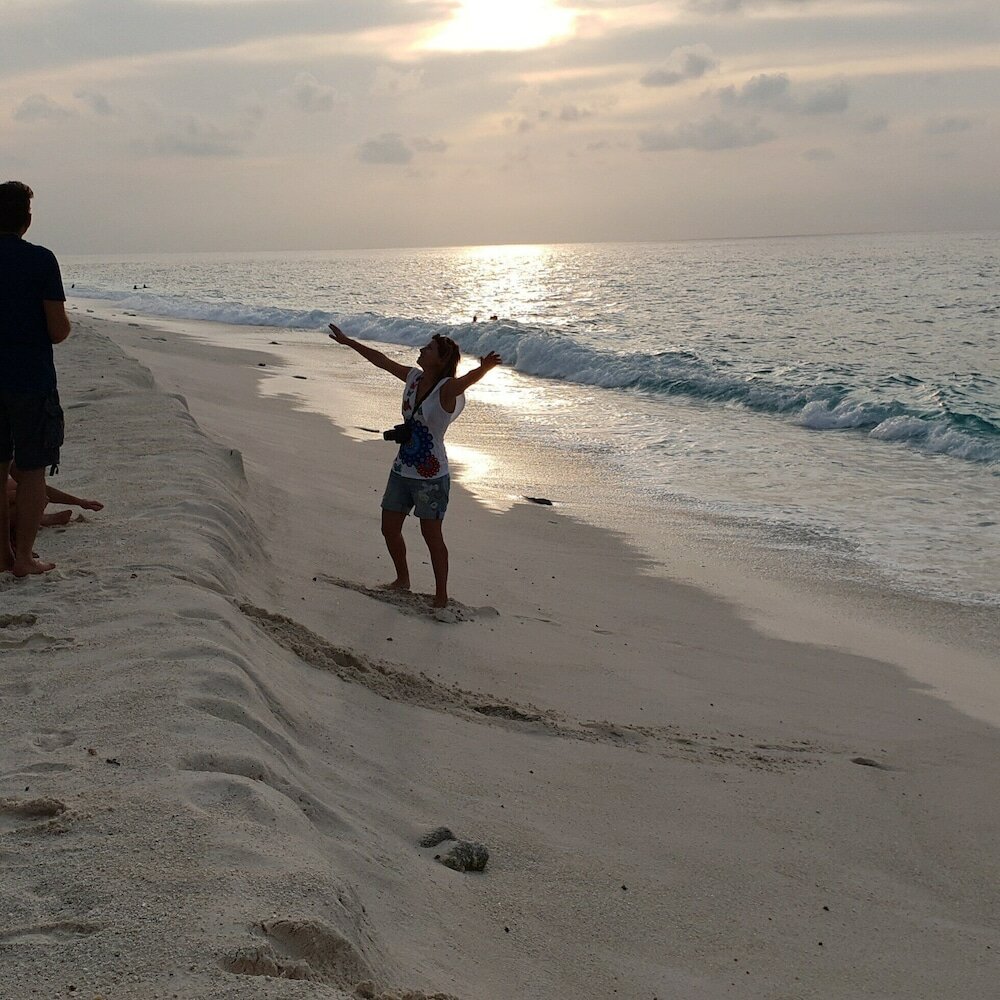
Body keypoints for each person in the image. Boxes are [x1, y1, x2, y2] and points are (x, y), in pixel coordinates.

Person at [328, 322, 501, 608]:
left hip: (431, 476)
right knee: (388, 527)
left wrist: (484, 369)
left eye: (429, 348)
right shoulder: (413, 378)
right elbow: (381, 361)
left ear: (441, 359)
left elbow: (467, 380)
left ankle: (441, 596)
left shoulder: (446, 389)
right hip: (402, 468)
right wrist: (349, 342)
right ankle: (402, 579)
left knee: (432, 536)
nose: (422, 350)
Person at [0, 181, 71, 576]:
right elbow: (57, 330)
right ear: (27, 221)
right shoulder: (41, 260)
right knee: (31, 471)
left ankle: (1, 556)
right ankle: (24, 557)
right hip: (29, 378)